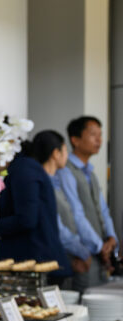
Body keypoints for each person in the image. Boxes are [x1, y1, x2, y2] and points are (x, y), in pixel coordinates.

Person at [0, 130, 72, 280]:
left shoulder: (24, 169)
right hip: (33, 259)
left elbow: (27, 219)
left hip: (34, 262)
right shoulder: (24, 168)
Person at [53, 116, 117, 290]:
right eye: (93, 134)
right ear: (75, 140)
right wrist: (100, 246)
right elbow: (75, 214)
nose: (99, 140)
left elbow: (103, 209)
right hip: (82, 252)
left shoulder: (90, 172)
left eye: (100, 135)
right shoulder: (66, 171)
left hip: (100, 252)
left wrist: (112, 237)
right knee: (83, 297)